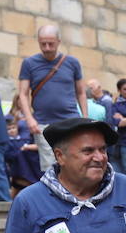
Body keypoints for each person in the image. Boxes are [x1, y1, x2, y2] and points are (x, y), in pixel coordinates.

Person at [17, 24, 87, 174]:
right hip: (43, 123)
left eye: (51, 44)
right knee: (50, 166)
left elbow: (81, 92)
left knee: (73, 161)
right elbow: (23, 93)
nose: (47, 48)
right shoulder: (29, 63)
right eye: (43, 44)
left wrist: (85, 118)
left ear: (58, 42)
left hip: (70, 121)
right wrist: (29, 118)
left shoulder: (72, 63)